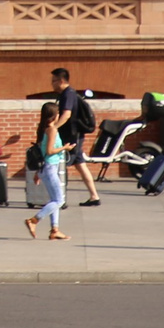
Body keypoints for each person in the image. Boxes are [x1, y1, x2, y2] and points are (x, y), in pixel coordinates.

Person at [51, 66, 101, 208]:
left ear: (61, 81)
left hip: (71, 137)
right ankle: (94, 196)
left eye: (54, 81)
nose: (52, 84)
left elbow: (66, 114)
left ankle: (60, 198)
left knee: (62, 166)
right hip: (76, 136)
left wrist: (54, 128)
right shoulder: (69, 94)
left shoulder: (68, 94)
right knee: (81, 165)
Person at [24, 101, 69, 241]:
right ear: (54, 116)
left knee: (53, 199)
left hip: (47, 168)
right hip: (50, 167)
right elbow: (49, 151)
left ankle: (55, 230)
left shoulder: (45, 129)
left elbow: (43, 151)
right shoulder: (52, 130)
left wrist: (38, 172)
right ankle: (34, 220)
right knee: (59, 200)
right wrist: (65, 148)